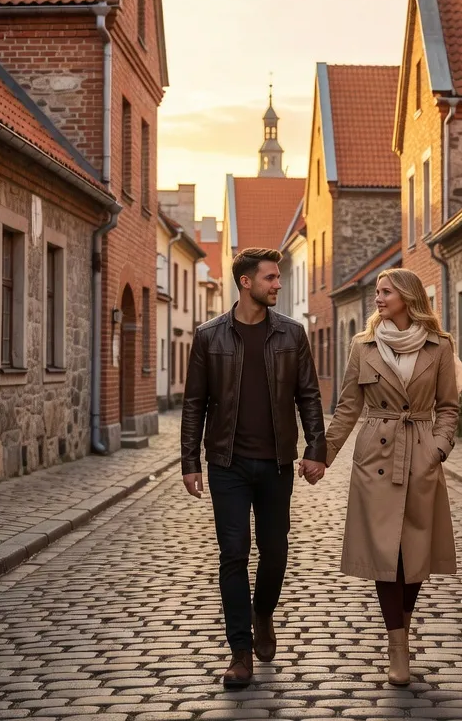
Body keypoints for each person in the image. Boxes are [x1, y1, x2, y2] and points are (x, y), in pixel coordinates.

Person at [180, 247, 328, 689]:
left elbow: (308, 395)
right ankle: (239, 652)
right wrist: (190, 461)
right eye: (270, 278)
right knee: (233, 554)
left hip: (278, 461)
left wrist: (315, 448)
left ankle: (263, 613)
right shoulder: (209, 336)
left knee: (275, 550)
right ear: (246, 282)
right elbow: (194, 404)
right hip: (226, 463)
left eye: (279, 277)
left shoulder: (292, 334)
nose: (277, 284)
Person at [321, 268, 462, 686]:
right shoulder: (362, 346)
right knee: (388, 555)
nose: (378, 299)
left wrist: (438, 448)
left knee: (415, 553)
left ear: (407, 296)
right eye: (378, 292)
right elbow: (348, 406)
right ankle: (397, 644)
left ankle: (401, 627)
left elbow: (449, 407)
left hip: (421, 453)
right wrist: (324, 455)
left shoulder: (440, 346)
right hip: (376, 457)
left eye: (386, 292)